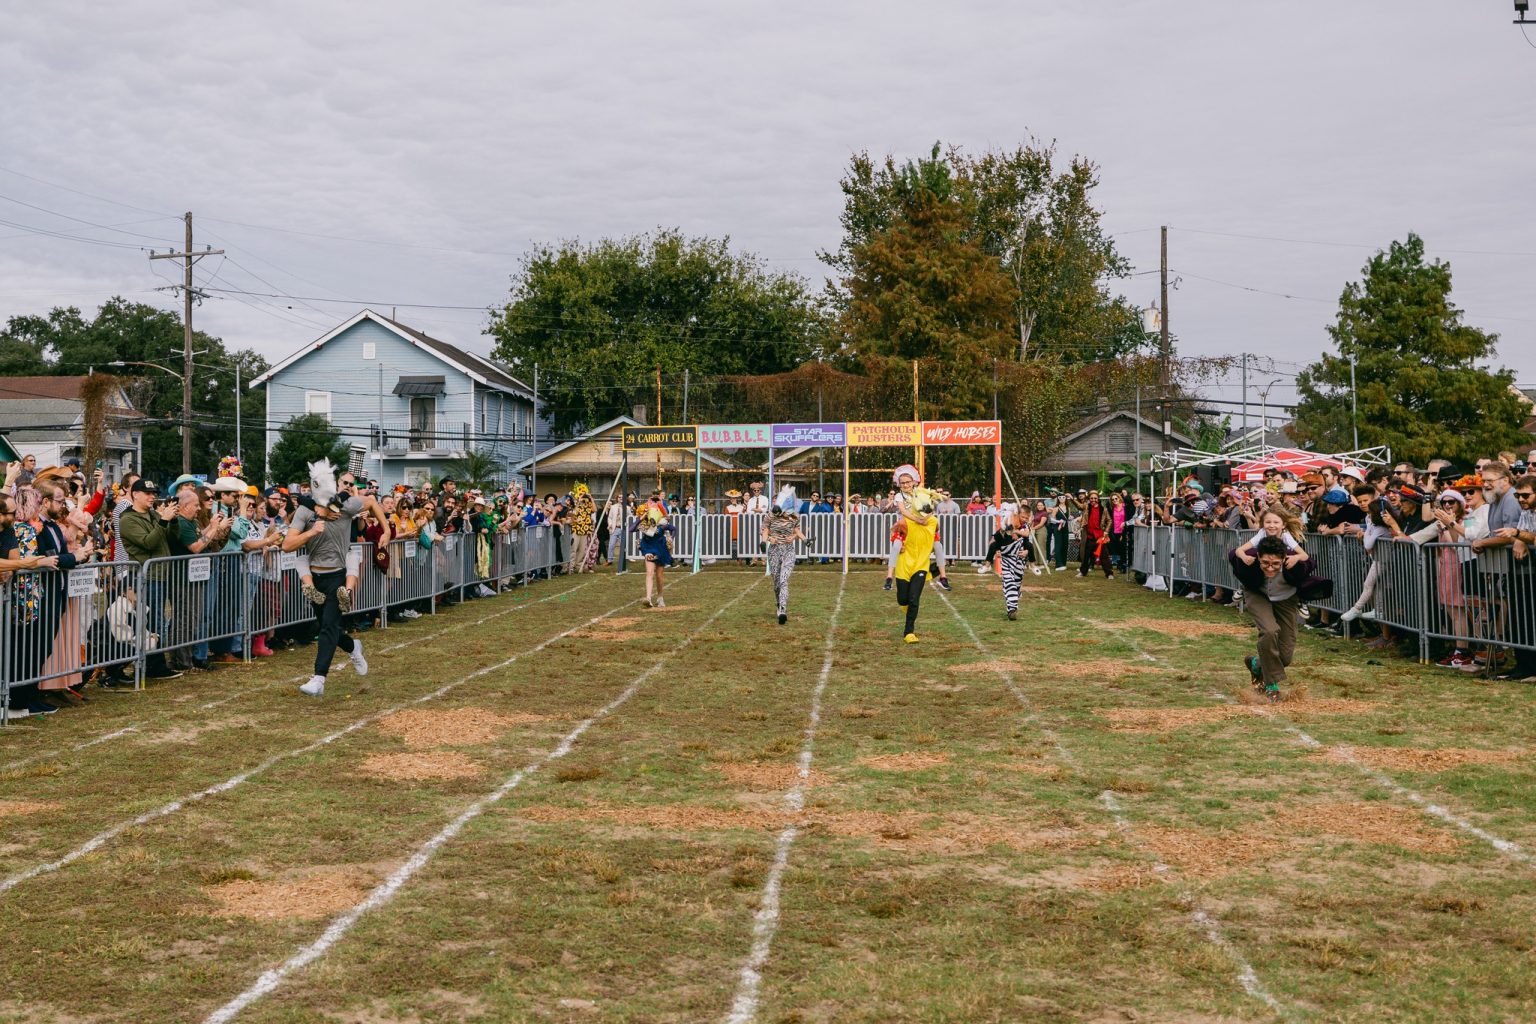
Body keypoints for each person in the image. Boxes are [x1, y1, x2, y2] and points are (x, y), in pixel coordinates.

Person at [285, 460, 384, 697]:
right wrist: (311, 531)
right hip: (315, 576)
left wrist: (387, 530)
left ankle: (319, 679)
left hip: (337, 575)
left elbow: (370, 501)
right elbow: (287, 545)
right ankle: (352, 646)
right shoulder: (305, 510)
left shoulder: (346, 506)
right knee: (327, 626)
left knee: (328, 627)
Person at [1230, 535, 1330, 702]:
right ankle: (1271, 686)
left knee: (1285, 656)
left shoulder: (1296, 565)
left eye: (1275, 564)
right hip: (1258, 594)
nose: (1270, 568)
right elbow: (1232, 553)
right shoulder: (1249, 563)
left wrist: (1298, 556)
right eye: (1265, 563)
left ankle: (1256, 664)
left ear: (1284, 559)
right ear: (1258, 558)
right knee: (1270, 631)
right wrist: (1242, 554)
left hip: (1286, 599)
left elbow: (1311, 560)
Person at [893, 482, 939, 644]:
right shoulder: (905, 521)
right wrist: (898, 543)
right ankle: (931, 573)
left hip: (921, 564)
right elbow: (894, 533)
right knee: (902, 599)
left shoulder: (934, 522)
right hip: (904, 564)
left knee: (914, 599)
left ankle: (909, 632)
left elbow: (935, 534)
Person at [762, 485, 806, 625]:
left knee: (783, 580)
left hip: (788, 551)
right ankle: (778, 603)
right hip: (774, 550)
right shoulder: (770, 515)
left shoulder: (795, 516)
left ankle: (782, 610)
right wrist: (767, 540)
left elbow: (797, 531)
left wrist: (798, 538)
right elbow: (765, 530)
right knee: (776, 583)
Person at [628, 503, 675, 608]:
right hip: (648, 548)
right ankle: (648, 598)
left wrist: (671, 538)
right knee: (649, 572)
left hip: (660, 548)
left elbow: (673, 528)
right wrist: (640, 518)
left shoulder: (661, 523)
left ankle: (660, 597)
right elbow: (631, 529)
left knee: (659, 575)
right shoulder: (644, 524)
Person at [568, 483, 597, 574]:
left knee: (582, 550)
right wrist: (578, 500)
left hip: (585, 529)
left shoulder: (588, 503)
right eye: (581, 493)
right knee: (573, 549)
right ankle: (571, 567)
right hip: (576, 529)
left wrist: (591, 498)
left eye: (584, 493)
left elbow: (594, 510)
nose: (583, 495)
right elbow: (573, 512)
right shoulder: (575, 502)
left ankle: (579, 566)